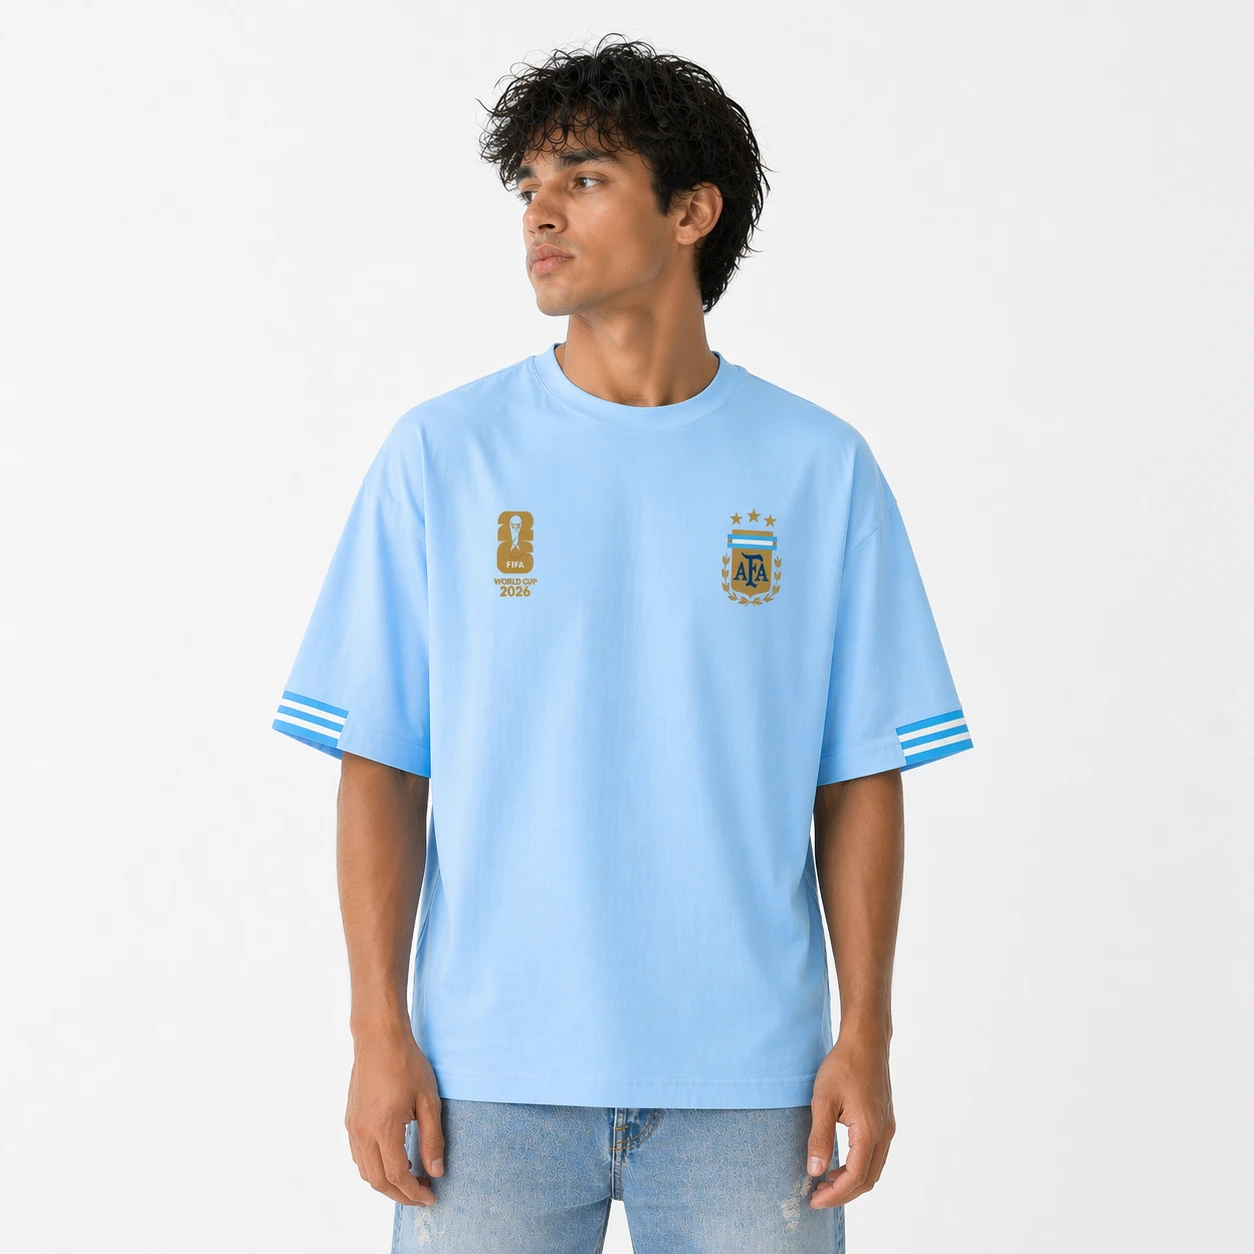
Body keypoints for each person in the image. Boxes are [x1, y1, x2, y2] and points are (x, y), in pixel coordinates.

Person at [270, 34, 974, 1254]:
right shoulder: (442, 456)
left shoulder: (819, 469)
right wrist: (378, 1032)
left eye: (584, 179)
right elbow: (381, 763)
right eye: (530, 187)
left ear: (692, 211)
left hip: (754, 1087)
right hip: (484, 1080)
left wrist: (865, 1035)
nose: (540, 213)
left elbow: (859, 773)